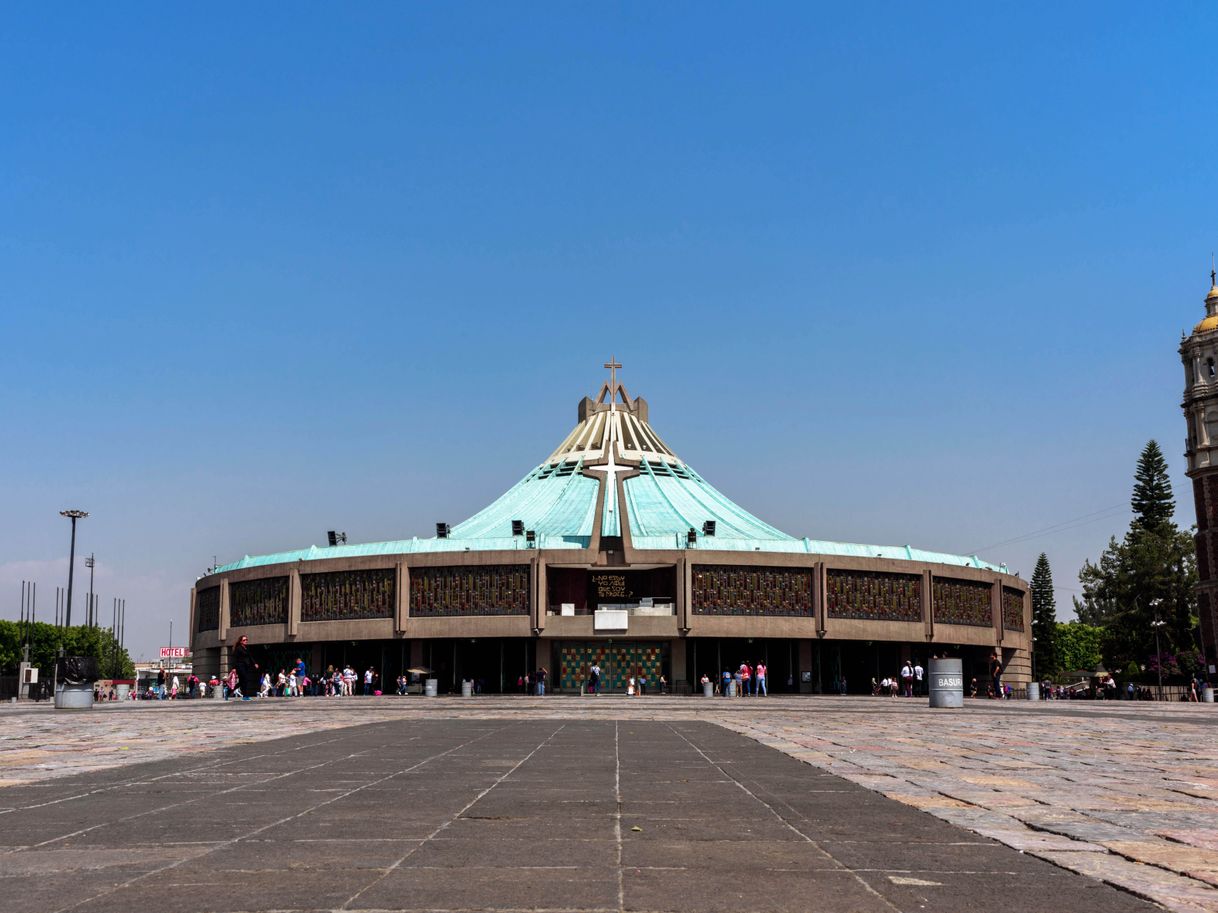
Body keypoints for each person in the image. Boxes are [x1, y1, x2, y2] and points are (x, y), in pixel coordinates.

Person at [230, 634, 259, 702]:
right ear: (241, 641)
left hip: (246, 666)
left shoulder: (246, 648)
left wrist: (255, 663)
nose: (246, 641)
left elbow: (250, 657)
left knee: (242, 682)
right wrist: (234, 668)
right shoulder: (238, 649)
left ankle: (228, 691)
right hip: (240, 666)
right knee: (245, 680)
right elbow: (235, 659)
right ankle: (245, 696)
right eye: (244, 640)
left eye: (246, 640)